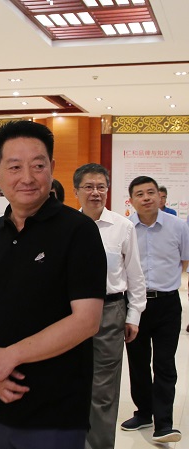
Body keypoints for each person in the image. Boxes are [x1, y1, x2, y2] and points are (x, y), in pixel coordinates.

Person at [0, 120, 106, 449]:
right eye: (14, 167)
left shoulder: (78, 231)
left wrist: (8, 357)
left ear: (51, 167)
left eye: (38, 166)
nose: (27, 177)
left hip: (56, 410)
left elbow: (87, 320)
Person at [72, 164, 146, 449]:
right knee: (71, 382)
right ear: (77, 191)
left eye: (101, 187)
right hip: (70, 313)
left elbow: (135, 274)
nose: (95, 192)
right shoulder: (66, 226)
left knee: (103, 388)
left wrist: (134, 315)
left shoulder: (122, 227)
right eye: (89, 187)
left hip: (110, 312)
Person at [120, 176, 188, 443]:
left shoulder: (178, 226)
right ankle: (143, 413)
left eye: (151, 192)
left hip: (167, 304)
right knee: (137, 362)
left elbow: (184, 260)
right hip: (135, 305)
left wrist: (166, 283)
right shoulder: (126, 228)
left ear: (160, 196)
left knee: (164, 363)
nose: (146, 198)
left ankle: (164, 423)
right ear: (131, 200)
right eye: (140, 194)